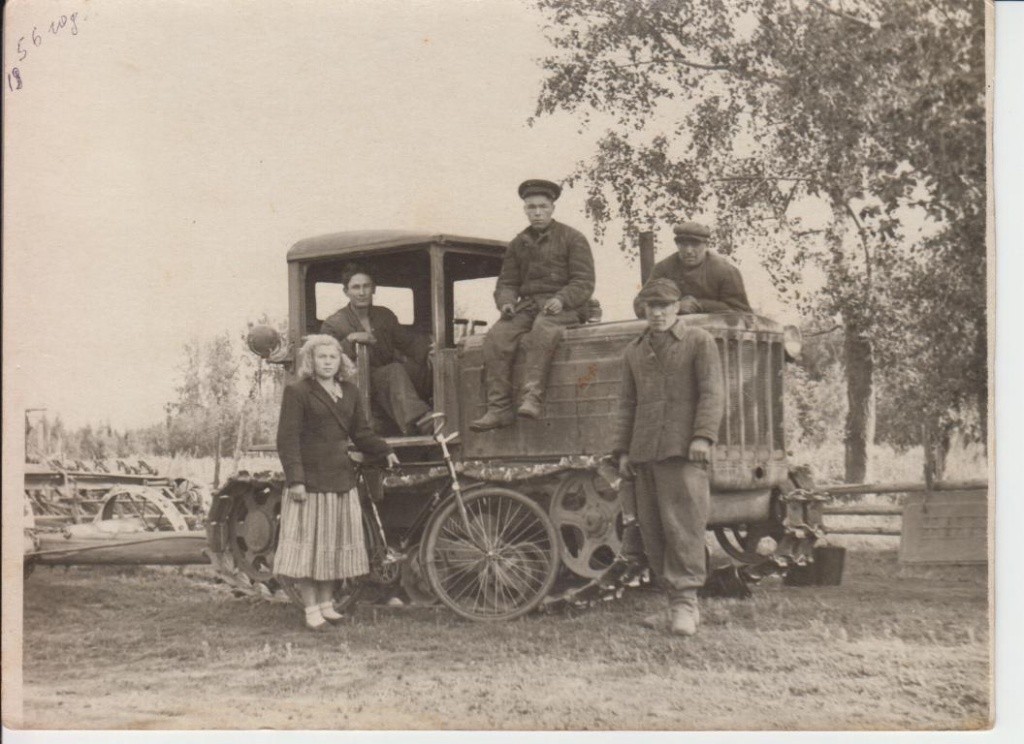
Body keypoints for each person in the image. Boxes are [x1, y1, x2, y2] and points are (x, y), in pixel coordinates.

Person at [614, 278, 725, 637]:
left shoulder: (698, 341)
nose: (658, 313)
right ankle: (672, 603)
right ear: (644, 310)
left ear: (677, 307)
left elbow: (712, 393)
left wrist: (703, 436)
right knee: (654, 530)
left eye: (664, 306)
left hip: (683, 449)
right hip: (645, 451)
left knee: (683, 527)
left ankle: (685, 604)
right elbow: (626, 404)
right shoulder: (634, 351)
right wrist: (623, 451)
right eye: (652, 307)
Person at [275, 334, 400, 631]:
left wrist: (385, 450)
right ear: (311, 361)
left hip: (341, 480)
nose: (328, 362)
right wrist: (296, 480)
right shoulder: (298, 392)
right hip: (310, 483)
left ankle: (327, 605)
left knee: (331, 547)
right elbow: (287, 440)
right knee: (309, 549)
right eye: (322, 357)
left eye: (333, 357)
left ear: (340, 361)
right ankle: (311, 609)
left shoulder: (350, 392)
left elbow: (361, 433)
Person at [470, 179, 596, 431]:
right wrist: (506, 302)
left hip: (565, 308)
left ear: (552, 208)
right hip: (529, 306)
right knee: (496, 337)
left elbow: (584, 281)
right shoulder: (518, 243)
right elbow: (507, 282)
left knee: (542, 330)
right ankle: (499, 408)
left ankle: (532, 397)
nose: (537, 213)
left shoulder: (573, 238)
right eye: (531, 207)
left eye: (542, 207)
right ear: (525, 210)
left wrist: (561, 299)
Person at [321, 265, 433, 436]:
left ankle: (437, 410)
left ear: (373, 289)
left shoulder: (384, 316)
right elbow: (325, 358)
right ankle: (422, 421)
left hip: (385, 378)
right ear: (346, 292)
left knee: (420, 368)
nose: (362, 292)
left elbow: (408, 343)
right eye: (356, 287)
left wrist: (431, 347)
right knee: (394, 371)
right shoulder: (334, 323)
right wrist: (350, 340)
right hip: (356, 382)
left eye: (366, 286)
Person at [637, 221, 751, 316]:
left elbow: (743, 313)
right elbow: (640, 305)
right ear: (677, 245)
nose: (689, 251)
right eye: (683, 245)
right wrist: (675, 307)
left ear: (706, 245)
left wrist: (700, 305)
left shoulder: (724, 271)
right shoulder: (663, 269)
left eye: (695, 245)